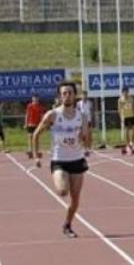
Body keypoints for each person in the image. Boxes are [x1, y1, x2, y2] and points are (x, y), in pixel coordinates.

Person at [32, 81, 91, 238]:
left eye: (70, 92)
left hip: (77, 159)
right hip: (59, 160)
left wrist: (84, 141)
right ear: (60, 96)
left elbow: (86, 138)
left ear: (74, 95)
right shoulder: (53, 115)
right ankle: (59, 179)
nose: (67, 95)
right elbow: (36, 134)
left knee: (75, 199)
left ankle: (67, 224)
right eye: (64, 93)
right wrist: (36, 155)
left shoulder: (82, 117)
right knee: (62, 191)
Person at [118, 87, 134, 154]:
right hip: (125, 116)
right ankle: (128, 144)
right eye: (124, 92)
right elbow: (119, 109)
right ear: (122, 92)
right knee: (127, 130)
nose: (126, 93)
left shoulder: (131, 98)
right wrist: (121, 117)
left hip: (132, 115)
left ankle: (131, 142)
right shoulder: (120, 100)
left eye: (127, 92)